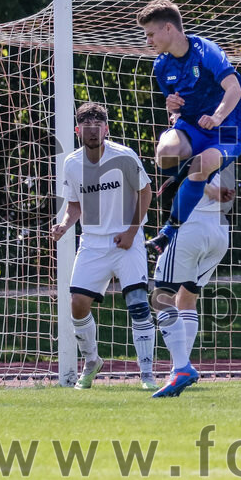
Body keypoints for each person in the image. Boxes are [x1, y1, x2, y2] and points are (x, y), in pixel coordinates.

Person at [50, 102, 156, 389]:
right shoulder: (71, 163)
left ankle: (147, 375)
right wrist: (64, 224)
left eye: (98, 128)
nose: (93, 133)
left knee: (137, 303)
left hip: (127, 242)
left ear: (106, 129)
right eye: (87, 128)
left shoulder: (124, 156)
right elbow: (74, 205)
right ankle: (92, 361)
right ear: (78, 131)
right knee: (77, 304)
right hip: (93, 244)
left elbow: (145, 191)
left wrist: (132, 232)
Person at [137, 0, 241, 255]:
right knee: (164, 154)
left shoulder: (205, 51)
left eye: (150, 34)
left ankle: (167, 233)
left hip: (226, 129)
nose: (148, 41)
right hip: (193, 127)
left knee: (201, 165)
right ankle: (189, 177)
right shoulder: (161, 66)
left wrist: (218, 117)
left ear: (168, 28)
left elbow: (234, 89)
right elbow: (175, 111)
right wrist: (172, 107)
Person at [150, 167, 235, 397]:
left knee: (161, 297)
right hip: (219, 229)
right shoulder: (229, 141)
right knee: (187, 298)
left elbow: (190, 170)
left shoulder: (187, 133)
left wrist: (208, 188)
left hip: (190, 225)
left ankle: (181, 368)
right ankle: (179, 370)